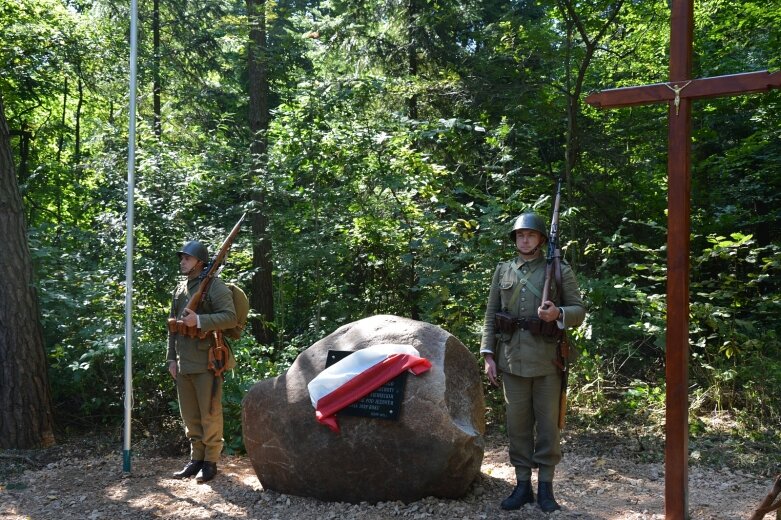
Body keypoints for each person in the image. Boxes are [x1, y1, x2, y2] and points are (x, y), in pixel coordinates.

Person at [480, 212, 586, 512]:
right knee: (517, 426)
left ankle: (546, 490)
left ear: (541, 239)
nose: (524, 239)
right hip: (511, 359)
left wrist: (558, 314)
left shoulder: (558, 269)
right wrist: (488, 353)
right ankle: (523, 485)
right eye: (519, 235)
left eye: (530, 235)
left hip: (547, 361)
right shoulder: (503, 270)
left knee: (549, 428)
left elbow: (579, 310)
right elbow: (491, 315)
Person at [167, 240, 237, 483]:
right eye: (182, 257)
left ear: (199, 262)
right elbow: (172, 327)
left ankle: (210, 462)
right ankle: (195, 459)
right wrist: (171, 359)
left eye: (187, 258)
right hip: (183, 362)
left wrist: (199, 320)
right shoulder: (180, 289)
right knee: (190, 416)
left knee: (210, 414)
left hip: (207, 361)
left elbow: (230, 317)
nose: (182, 261)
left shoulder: (213, 287)